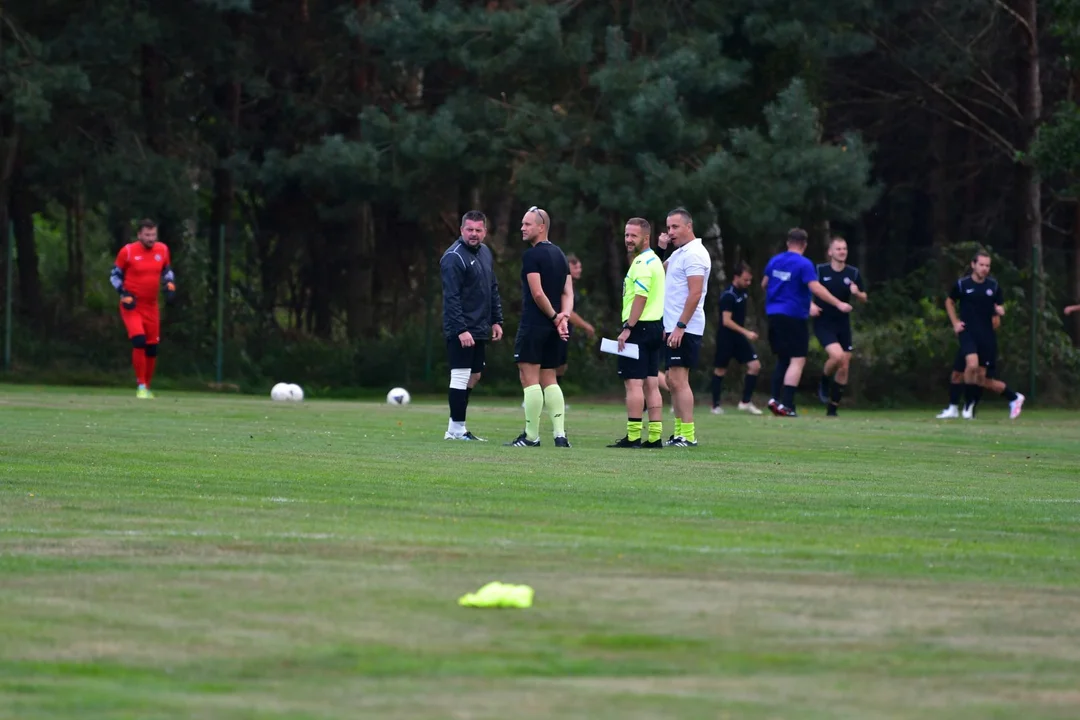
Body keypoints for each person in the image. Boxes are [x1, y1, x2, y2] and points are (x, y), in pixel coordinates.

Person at [761, 228, 852, 417]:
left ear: (788, 243)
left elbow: (764, 284)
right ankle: (787, 404)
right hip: (794, 316)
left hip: (773, 315)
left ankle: (774, 399)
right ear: (804, 245)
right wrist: (838, 303)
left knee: (783, 358)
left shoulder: (775, 260)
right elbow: (816, 288)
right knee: (797, 359)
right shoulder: (804, 264)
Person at [506, 206, 573, 447]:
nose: (522, 228)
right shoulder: (560, 254)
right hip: (554, 328)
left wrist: (556, 317)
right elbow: (568, 292)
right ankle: (560, 435)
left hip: (536, 323)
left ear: (541, 227)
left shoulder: (531, 256)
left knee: (529, 378)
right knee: (550, 378)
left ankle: (531, 437)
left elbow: (537, 293)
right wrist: (564, 316)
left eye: (527, 224)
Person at [440, 210, 503, 441]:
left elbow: (492, 288)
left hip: (480, 328)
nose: (474, 234)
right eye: (469, 229)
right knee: (460, 375)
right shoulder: (453, 257)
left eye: (478, 230)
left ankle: (455, 426)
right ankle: (456, 429)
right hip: (462, 330)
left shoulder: (485, 253)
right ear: (461, 230)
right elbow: (451, 298)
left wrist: (497, 320)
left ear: (485, 232)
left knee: (474, 375)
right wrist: (460, 329)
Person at [944, 250, 1024, 419]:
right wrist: (955, 323)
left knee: (978, 378)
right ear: (973, 265)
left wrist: (998, 313)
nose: (984, 268)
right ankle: (962, 407)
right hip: (967, 333)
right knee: (970, 366)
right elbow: (949, 301)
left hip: (986, 337)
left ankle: (1012, 397)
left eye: (987, 266)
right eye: (981, 265)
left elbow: (997, 314)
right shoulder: (962, 284)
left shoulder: (993, 287)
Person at [608, 218, 666, 449]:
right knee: (651, 384)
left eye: (633, 236)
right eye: (626, 235)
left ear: (646, 237)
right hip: (654, 327)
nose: (628, 240)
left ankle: (633, 437)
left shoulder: (642, 263)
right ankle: (654, 437)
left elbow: (640, 298)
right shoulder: (655, 261)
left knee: (633, 384)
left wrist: (627, 328)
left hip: (639, 328)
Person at [660, 208, 711, 447]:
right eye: (668, 228)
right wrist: (662, 249)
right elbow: (659, 273)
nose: (670, 232)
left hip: (686, 326)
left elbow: (695, 293)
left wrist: (680, 326)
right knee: (671, 380)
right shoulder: (679, 253)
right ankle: (680, 432)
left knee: (679, 380)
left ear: (689, 227)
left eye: (675, 227)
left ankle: (688, 435)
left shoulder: (695, 254)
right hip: (673, 325)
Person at [109, 219, 176, 398]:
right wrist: (123, 293)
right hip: (132, 305)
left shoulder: (162, 250)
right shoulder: (128, 252)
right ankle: (140, 385)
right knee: (139, 340)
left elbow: (167, 270)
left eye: (153, 235)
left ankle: (146, 385)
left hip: (152, 306)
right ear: (139, 235)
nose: (150, 238)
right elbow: (114, 276)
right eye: (147, 235)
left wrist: (169, 284)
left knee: (152, 347)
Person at [811, 237, 868, 417]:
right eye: (838, 249)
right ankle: (824, 381)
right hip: (824, 321)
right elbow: (805, 289)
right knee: (837, 356)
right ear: (830, 252)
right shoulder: (820, 270)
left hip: (842, 323)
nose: (842, 252)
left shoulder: (853, 273)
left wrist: (857, 293)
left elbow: (864, 297)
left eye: (844, 249)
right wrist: (809, 305)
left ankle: (832, 410)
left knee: (844, 366)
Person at [711, 261, 762, 415]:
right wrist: (746, 332)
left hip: (739, 338)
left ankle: (745, 402)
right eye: (745, 279)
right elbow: (726, 321)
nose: (748, 283)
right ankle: (715, 406)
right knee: (720, 370)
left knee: (755, 366)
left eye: (749, 280)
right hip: (726, 337)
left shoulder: (743, 293)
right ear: (736, 277)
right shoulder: (728, 295)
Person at [936, 314, 1000, 419]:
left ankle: (970, 406)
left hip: (982, 343)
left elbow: (996, 322)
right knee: (957, 374)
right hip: (968, 342)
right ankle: (953, 408)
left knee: (979, 374)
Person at [555, 254, 595, 382]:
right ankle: (532, 399)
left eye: (580, 267)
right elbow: (568, 312)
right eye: (576, 267)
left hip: (566, 331)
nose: (579, 270)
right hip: (557, 330)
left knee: (561, 366)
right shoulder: (561, 284)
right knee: (550, 366)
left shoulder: (572, 286)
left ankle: (554, 400)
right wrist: (586, 326)